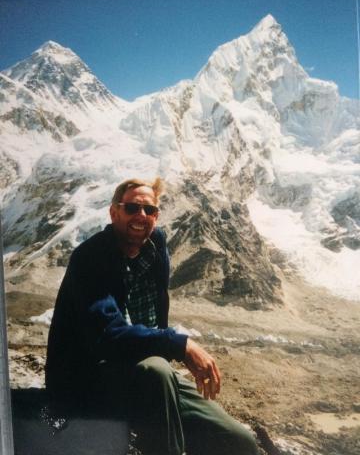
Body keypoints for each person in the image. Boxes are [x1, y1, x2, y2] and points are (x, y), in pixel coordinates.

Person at [45, 177, 259, 455]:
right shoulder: (91, 257)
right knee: (156, 369)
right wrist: (179, 344)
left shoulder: (156, 245)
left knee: (238, 440)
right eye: (132, 208)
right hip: (85, 381)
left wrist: (165, 346)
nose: (141, 216)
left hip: (143, 371)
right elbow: (107, 336)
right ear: (114, 212)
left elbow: (156, 314)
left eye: (150, 211)